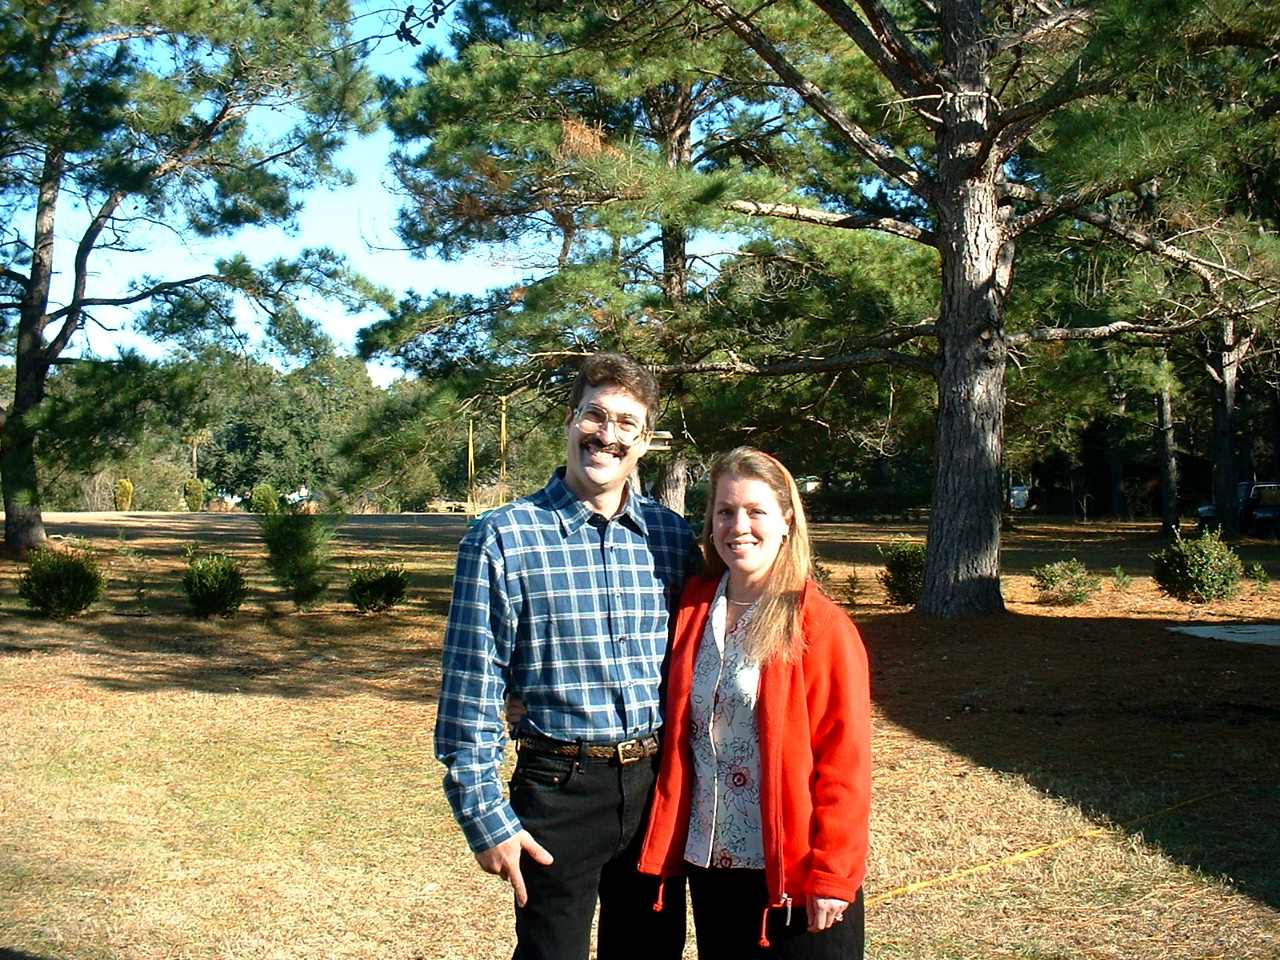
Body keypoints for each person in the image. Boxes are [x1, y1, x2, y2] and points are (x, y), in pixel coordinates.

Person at [434, 353, 699, 960]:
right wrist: (485, 816)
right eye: (594, 415)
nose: (607, 435)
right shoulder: (503, 537)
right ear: (570, 421)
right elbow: (472, 687)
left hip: (657, 787)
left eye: (626, 423)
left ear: (645, 441)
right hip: (558, 787)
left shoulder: (672, 537)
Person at [638, 447, 871, 958]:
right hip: (710, 865)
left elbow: (845, 762)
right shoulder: (693, 610)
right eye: (725, 511)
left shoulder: (819, 625)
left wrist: (834, 874)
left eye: (755, 511)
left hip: (793, 875)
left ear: (787, 521)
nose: (738, 526)